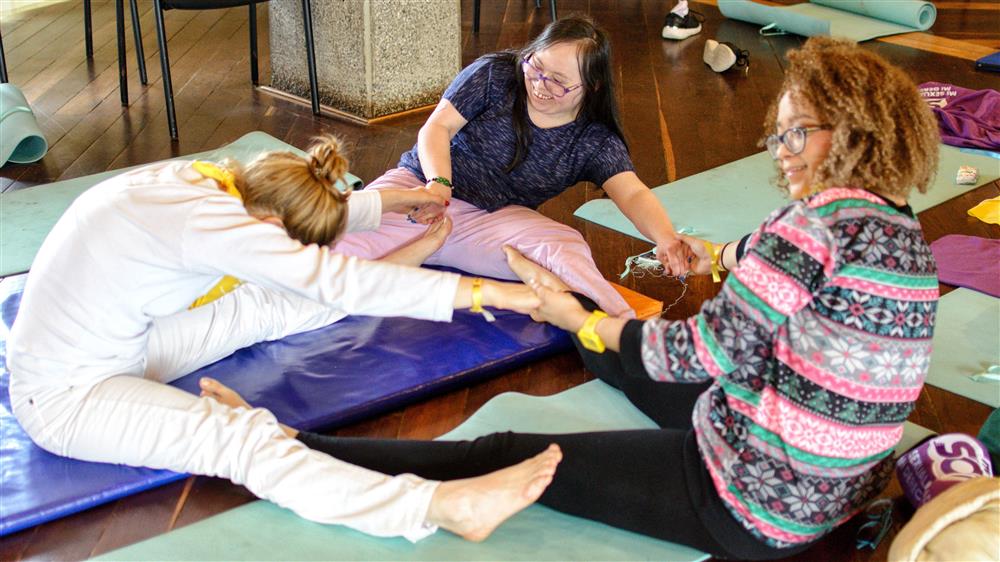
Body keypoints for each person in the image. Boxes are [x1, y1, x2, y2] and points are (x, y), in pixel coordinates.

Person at [199, 38, 942, 559]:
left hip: (758, 503)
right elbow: (758, 261)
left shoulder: (808, 227)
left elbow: (694, 351)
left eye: (794, 136)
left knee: (506, 453)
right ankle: (581, 330)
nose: (779, 153)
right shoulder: (897, 226)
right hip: (838, 481)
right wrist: (713, 254)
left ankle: (299, 447)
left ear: (848, 133)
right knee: (617, 358)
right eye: (776, 135)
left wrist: (574, 314)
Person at [6, 135, 564, 543]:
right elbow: (338, 282)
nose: (294, 253)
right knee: (239, 436)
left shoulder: (214, 184)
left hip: (122, 345)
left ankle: (405, 261)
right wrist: (494, 295)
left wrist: (396, 201)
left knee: (257, 308)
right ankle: (437, 505)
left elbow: (301, 211)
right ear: (273, 228)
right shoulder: (217, 227)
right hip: (67, 397)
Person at [332, 15, 687, 318]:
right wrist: (438, 185)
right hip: (420, 191)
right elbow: (436, 128)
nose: (540, 85)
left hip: (491, 220)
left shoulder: (594, 140)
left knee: (564, 245)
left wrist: (665, 238)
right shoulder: (496, 74)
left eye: (559, 82)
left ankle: (621, 321)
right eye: (536, 67)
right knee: (332, 248)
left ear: (591, 86)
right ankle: (420, 249)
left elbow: (633, 192)